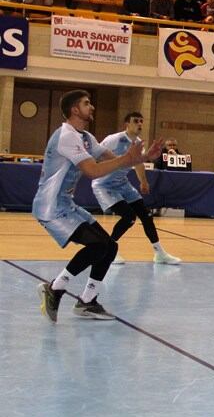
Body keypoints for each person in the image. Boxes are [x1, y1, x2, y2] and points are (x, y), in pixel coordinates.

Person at [35, 90, 161, 322]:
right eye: (86, 104)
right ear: (75, 110)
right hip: (50, 207)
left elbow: (113, 159)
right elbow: (92, 170)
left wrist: (143, 159)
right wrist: (126, 159)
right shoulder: (66, 136)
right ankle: (55, 288)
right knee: (97, 246)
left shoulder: (85, 137)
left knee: (109, 247)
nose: (91, 107)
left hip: (66, 205)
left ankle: (87, 301)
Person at [92, 112, 180, 265]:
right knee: (129, 217)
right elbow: (96, 156)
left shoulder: (138, 142)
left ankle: (159, 253)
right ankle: (109, 249)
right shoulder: (114, 139)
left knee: (146, 216)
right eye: (136, 121)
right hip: (104, 185)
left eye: (141, 121)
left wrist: (143, 181)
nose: (139, 124)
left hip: (123, 183)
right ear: (127, 124)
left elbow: (138, 163)